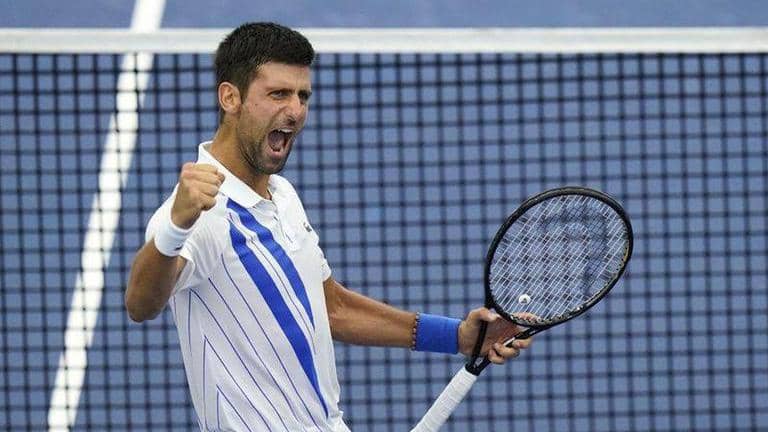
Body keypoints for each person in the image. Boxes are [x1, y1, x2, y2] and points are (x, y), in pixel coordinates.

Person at [125, 22, 532, 432]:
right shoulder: (200, 215)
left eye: (303, 96)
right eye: (278, 94)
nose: (295, 111)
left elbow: (331, 307)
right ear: (230, 97)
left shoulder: (282, 195)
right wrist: (176, 226)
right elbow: (141, 304)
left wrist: (456, 337)